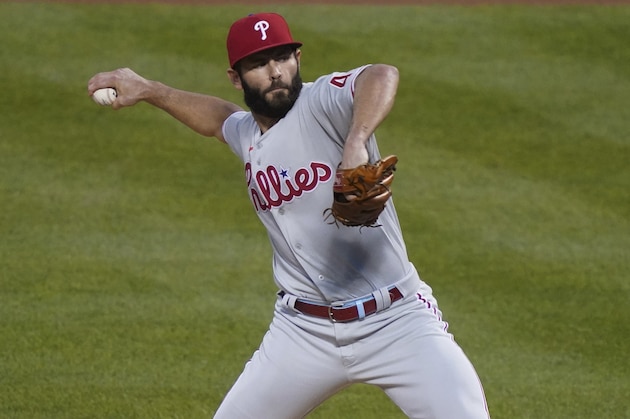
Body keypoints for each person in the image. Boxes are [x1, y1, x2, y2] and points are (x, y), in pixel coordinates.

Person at [87, 12, 490, 419]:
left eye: (282, 57)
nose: (275, 72)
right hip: (303, 333)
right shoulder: (248, 134)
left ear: (298, 57)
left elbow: (381, 74)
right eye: (259, 64)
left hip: (395, 321)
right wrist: (148, 89)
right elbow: (218, 120)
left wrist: (356, 140)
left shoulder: (322, 102)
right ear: (236, 77)